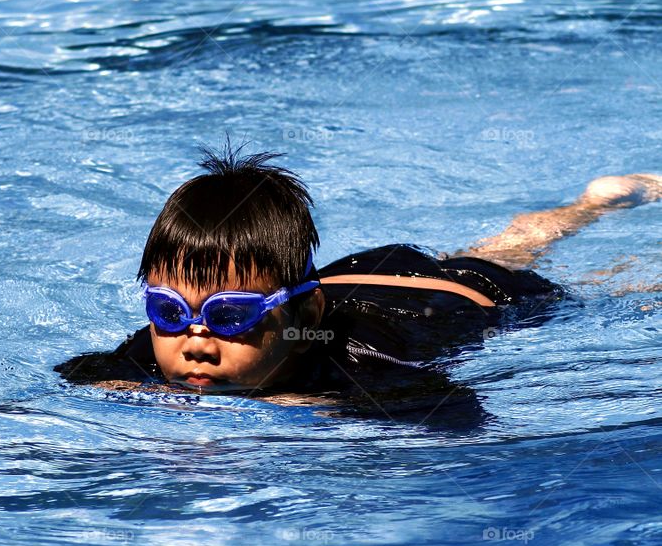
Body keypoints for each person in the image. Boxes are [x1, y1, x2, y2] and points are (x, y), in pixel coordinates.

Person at [54, 140, 662, 412]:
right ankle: (592, 202)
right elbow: (76, 381)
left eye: (232, 315)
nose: (196, 342)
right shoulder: (159, 350)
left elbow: (457, 413)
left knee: (595, 286)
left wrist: (310, 406)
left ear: (302, 316)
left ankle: (591, 207)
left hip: (458, 297)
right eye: (167, 310)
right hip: (354, 276)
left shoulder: (357, 367)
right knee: (501, 245)